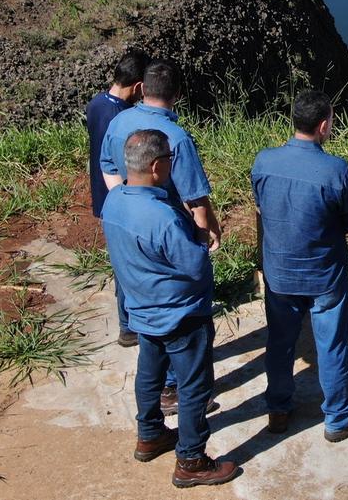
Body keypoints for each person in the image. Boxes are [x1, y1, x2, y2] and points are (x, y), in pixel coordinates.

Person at [100, 129, 240, 489]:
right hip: (181, 315)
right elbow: (195, 267)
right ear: (158, 165)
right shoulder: (162, 216)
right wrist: (199, 239)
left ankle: (149, 435)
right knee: (194, 386)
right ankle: (191, 460)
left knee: (150, 375)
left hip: (143, 310)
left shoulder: (113, 202)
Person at [251, 90, 348, 443]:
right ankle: (338, 417)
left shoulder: (264, 161)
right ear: (324, 126)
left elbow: (261, 204)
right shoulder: (336, 170)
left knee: (279, 342)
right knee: (333, 344)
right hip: (324, 275)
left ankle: (277, 408)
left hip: (279, 273)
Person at [100, 59, 222, 415]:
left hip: (129, 222)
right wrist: (208, 231)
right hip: (167, 227)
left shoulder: (120, 121)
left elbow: (107, 166)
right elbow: (194, 197)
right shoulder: (177, 138)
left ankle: (132, 334)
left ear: (143, 88)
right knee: (177, 306)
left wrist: (124, 201)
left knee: (139, 290)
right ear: (178, 95)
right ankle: (174, 391)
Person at [85, 48, 150, 348]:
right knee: (132, 263)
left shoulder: (96, 104)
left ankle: (129, 320)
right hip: (124, 197)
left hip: (103, 196)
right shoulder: (124, 118)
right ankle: (129, 326)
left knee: (120, 260)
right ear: (138, 86)